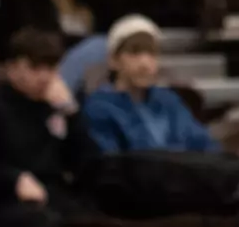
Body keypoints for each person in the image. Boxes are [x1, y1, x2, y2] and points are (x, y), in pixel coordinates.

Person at [0, 28, 99, 227]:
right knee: (41, 221)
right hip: (6, 200)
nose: (44, 76)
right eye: (34, 67)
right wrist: (14, 179)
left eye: (51, 67)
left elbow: (87, 162)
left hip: (55, 194)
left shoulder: (57, 106)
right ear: (12, 68)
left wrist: (72, 113)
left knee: (95, 218)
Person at [83, 15, 219, 154]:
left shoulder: (168, 100)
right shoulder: (100, 107)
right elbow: (112, 163)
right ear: (114, 60)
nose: (145, 63)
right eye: (134, 52)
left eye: (151, 52)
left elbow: (202, 142)